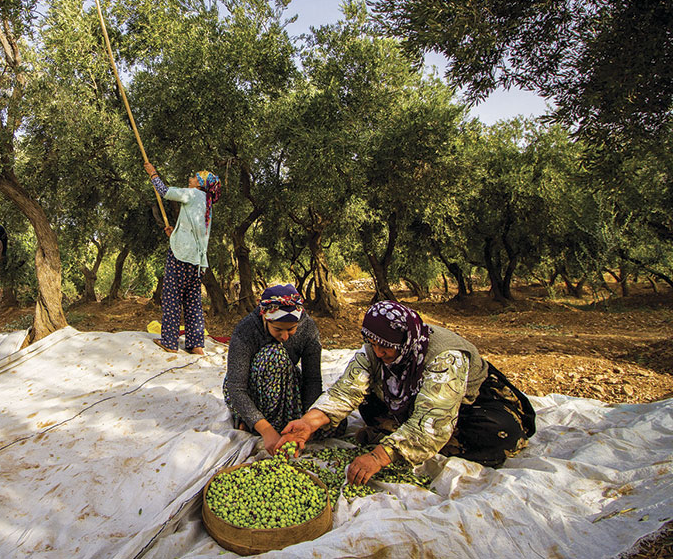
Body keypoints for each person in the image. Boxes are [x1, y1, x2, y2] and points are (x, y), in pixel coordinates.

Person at [275, 300, 536, 484]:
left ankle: (410, 440)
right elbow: (345, 391)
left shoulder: (445, 357)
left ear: (406, 340)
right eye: (373, 344)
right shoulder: (375, 352)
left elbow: (434, 418)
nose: (379, 352)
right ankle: (408, 438)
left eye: (386, 346)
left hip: (470, 402)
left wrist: (380, 456)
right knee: (367, 402)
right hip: (413, 401)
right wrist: (308, 423)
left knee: (498, 434)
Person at [223, 284, 338, 455]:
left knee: (334, 423)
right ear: (265, 318)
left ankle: (282, 424)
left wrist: (306, 423)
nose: (285, 336)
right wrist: (265, 429)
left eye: (291, 329)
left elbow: (312, 379)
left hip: (285, 383)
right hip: (253, 390)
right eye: (278, 329)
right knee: (273, 354)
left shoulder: (308, 328)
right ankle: (254, 421)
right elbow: (236, 387)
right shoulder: (246, 330)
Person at [143, 161, 221, 355]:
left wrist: (153, 174)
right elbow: (193, 229)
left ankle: (169, 341)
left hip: (180, 256)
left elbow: (165, 192)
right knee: (192, 300)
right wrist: (175, 234)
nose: (190, 179)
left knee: (172, 296)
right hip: (197, 261)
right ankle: (196, 345)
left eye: (194, 177)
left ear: (200, 184)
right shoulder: (207, 204)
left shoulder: (193, 194)